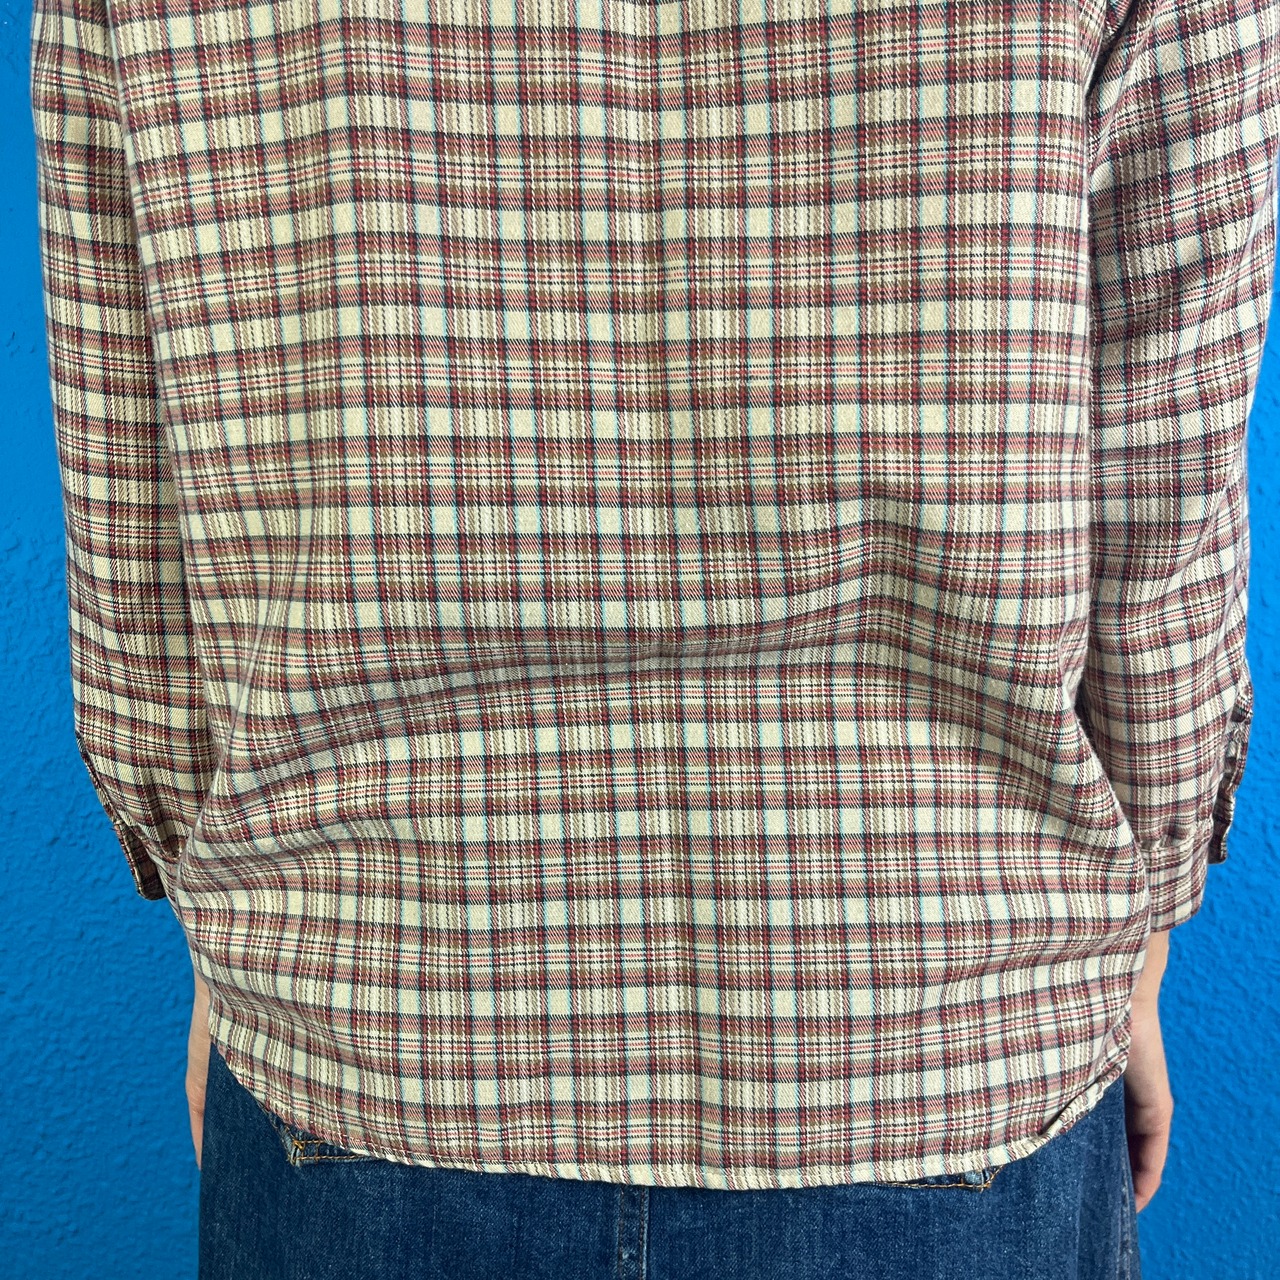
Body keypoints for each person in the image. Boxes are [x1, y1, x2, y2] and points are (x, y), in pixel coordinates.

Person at [29, 0, 1273, 1272]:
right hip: (941, 1021)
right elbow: (1164, 465)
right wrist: (1142, 919)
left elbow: (129, 503)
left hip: (365, 1017)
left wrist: (221, 909)